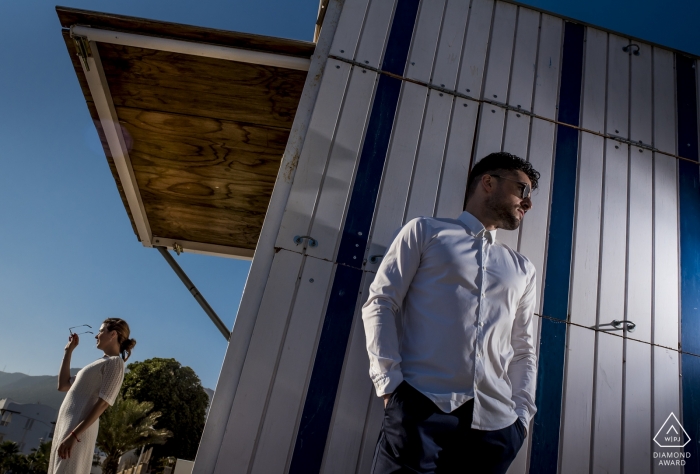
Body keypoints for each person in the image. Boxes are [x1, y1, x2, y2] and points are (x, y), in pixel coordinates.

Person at [362, 152, 540, 473]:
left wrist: (522, 417)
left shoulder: (522, 268)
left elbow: (523, 350)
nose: (527, 203)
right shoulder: (426, 232)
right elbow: (381, 303)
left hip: (496, 427)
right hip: (420, 412)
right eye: (522, 190)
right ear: (488, 182)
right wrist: (390, 387)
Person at [48, 318, 136, 474]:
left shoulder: (115, 363)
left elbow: (104, 403)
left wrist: (74, 435)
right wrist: (68, 351)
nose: (96, 335)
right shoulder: (99, 363)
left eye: (101, 331)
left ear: (113, 334)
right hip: (67, 428)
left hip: (76, 432)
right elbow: (63, 385)